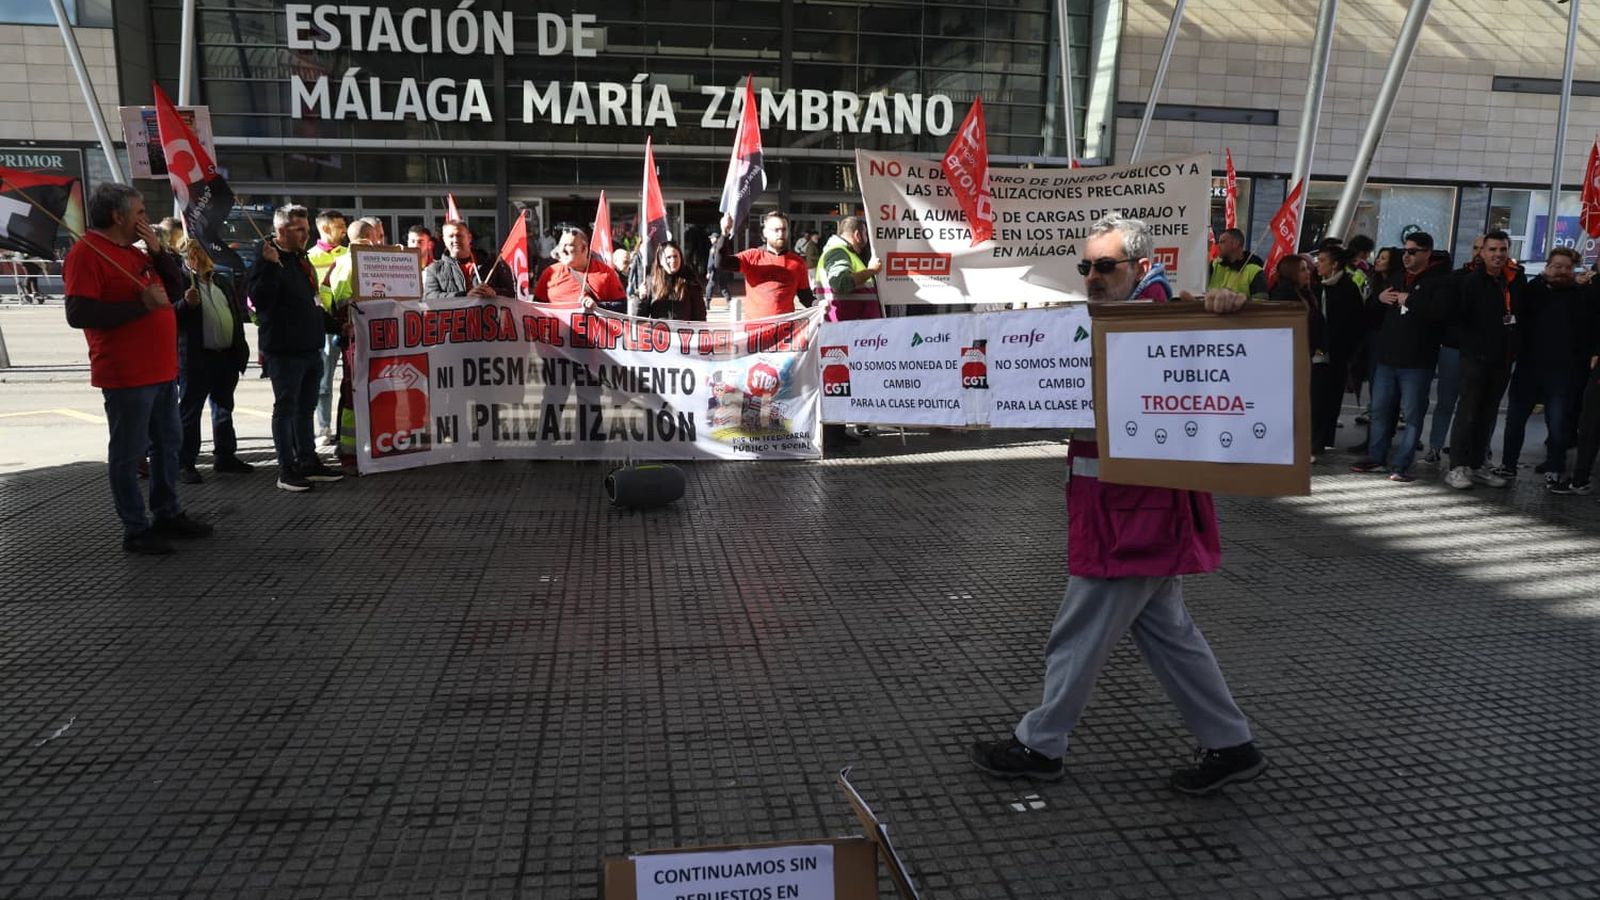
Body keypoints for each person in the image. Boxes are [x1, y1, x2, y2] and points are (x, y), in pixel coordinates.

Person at [970, 215, 1266, 796]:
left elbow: (1237, 349)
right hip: (1123, 507)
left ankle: (1041, 744)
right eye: (1086, 267)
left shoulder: (1171, 316)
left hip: (1134, 516)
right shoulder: (1111, 321)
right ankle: (1231, 744)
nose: (1093, 277)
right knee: (1170, 635)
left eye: (1106, 267)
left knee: (1079, 632)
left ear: (1139, 266)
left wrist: (1233, 306)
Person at [64, 182, 213, 554]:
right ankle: (135, 526)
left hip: (162, 369)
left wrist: (160, 254)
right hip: (127, 373)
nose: (145, 219)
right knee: (129, 453)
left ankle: (167, 512)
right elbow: (77, 312)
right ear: (119, 216)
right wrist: (139, 307)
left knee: (168, 445)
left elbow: (175, 290)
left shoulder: (135, 252)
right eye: (141, 212)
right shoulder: (86, 253)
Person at [246, 204, 344, 493]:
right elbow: (260, 300)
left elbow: (313, 302)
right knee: (286, 410)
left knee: (305, 409)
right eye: (298, 229)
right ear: (280, 230)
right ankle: (286, 469)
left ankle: (307, 461)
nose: (305, 235)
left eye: (306, 229)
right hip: (285, 350)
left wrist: (338, 326)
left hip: (310, 348)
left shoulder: (300, 260)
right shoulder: (266, 260)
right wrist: (266, 265)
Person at [1350, 233, 1452, 482]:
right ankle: (1376, 458)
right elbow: (1372, 311)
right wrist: (1379, 298)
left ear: (1427, 253)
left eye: (1413, 251)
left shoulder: (1441, 282)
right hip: (1388, 357)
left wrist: (1412, 300)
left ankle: (1402, 465)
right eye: (1405, 251)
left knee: (1413, 414)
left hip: (1417, 361)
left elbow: (1441, 314)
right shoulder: (1397, 277)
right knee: (1380, 411)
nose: (1407, 255)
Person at [1498, 247, 1595, 484]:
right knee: (1515, 419)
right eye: (1557, 266)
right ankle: (1508, 465)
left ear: (1574, 271)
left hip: (1564, 372)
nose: (1561, 271)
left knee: (1558, 421)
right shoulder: (1531, 291)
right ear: (1547, 267)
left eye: (1567, 268)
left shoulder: (1582, 296)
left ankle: (1555, 466)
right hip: (1528, 367)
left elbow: (1589, 333)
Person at [1442, 230, 1523, 490]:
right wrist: (1470, 344)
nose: (1498, 255)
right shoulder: (1470, 282)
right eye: (1492, 250)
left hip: (1503, 359)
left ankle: (1477, 465)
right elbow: (1455, 318)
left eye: (1502, 250)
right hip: (1475, 357)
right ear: (1482, 253)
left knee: (1487, 414)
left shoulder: (1514, 280)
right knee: (1467, 412)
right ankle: (1456, 466)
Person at [175, 237, 252, 483]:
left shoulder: (221, 281)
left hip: (225, 356)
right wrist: (184, 304)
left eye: (203, 252)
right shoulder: (181, 283)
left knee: (223, 408)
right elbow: (168, 316)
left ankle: (225, 455)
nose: (200, 258)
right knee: (190, 412)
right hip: (197, 358)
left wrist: (240, 351)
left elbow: (236, 315)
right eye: (194, 254)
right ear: (187, 258)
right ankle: (185, 462)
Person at [324, 217, 388, 472]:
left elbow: (328, 300)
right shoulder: (370, 261)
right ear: (371, 236)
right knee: (361, 392)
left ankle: (349, 448)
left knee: (351, 390)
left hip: (349, 336)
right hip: (367, 337)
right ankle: (354, 453)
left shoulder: (338, 263)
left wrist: (341, 322)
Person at [715, 210, 815, 319]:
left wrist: (820, 305)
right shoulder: (751, 257)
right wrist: (724, 234)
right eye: (776, 230)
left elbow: (806, 297)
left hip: (785, 331)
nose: (780, 234)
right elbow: (721, 263)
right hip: (755, 331)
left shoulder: (798, 263)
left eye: (784, 229)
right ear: (765, 232)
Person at [307, 210, 348, 446]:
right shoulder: (310, 257)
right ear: (325, 228)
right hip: (324, 325)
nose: (344, 230)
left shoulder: (349, 253)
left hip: (349, 323)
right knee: (324, 382)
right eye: (339, 226)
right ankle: (324, 428)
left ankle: (348, 426)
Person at [533, 226, 627, 310]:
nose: (562, 250)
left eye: (568, 245)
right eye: (561, 245)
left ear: (584, 248)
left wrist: (598, 306)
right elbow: (534, 309)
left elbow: (622, 306)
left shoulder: (606, 273)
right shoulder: (550, 273)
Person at [423, 219, 515, 300]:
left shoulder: (492, 263)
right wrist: (464, 296)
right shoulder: (435, 269)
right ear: (444, 240)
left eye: (459, 235)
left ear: (469, 237)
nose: (455, 240)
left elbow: (511, 293)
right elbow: (431, 296)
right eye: (451, 236)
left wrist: (494, 293)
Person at [642, 241, 706, 321]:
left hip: (684, 332)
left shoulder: (690, 282)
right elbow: (640, 318)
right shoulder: (651, 282)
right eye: (668, 257)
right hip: (660, 332)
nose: (673, 260)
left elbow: (700, 314)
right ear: (660, 261)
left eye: (675, 256)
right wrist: (640, 299)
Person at [1208, 228, 1268, 298]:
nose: (1218, 246)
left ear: (1235, 243)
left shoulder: (1255, 272)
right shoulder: (1214, 265)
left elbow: (1261, 304)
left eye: (1222, 242)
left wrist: (1238, 301)